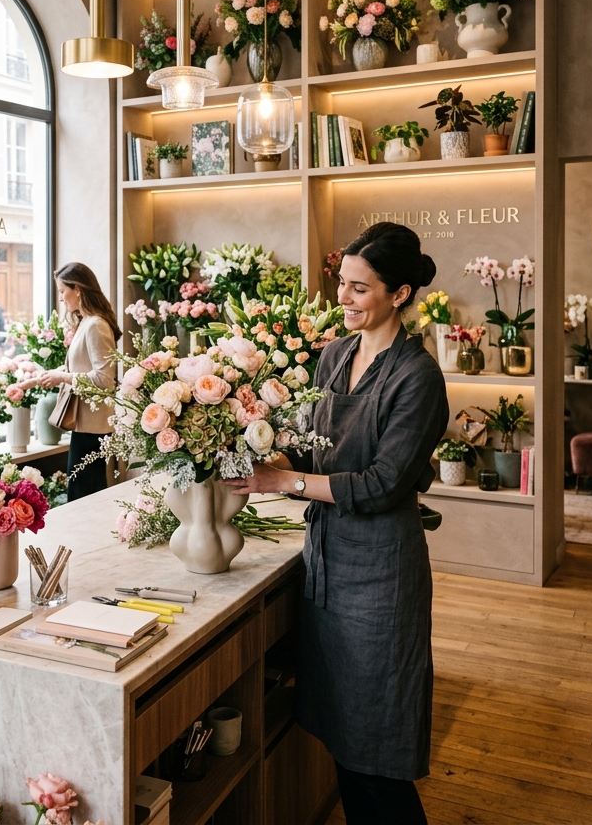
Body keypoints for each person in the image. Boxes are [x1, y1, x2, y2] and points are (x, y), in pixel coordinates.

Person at [227, 222, 448, 825]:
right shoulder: (333, 356)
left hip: (381, 573)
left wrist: (287, 483)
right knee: (344, 744)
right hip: (326, 562)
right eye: (341, 285)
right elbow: (310, 449)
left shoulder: (417, 377)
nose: (343, 300)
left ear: (399, 294)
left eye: (359, 288)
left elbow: (382, 484)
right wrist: (262, 455)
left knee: (377, 754)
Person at [23, 263, 119, 502]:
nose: (60, 298)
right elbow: (74, 369)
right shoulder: (86, 322)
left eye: (62, 290)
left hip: (94, 427)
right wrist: (29, 383)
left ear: (77, 289)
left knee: (85, 496)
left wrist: (63, 377)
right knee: (81, 493)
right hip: (86, 425)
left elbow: (104, 380)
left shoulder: (96, 325)